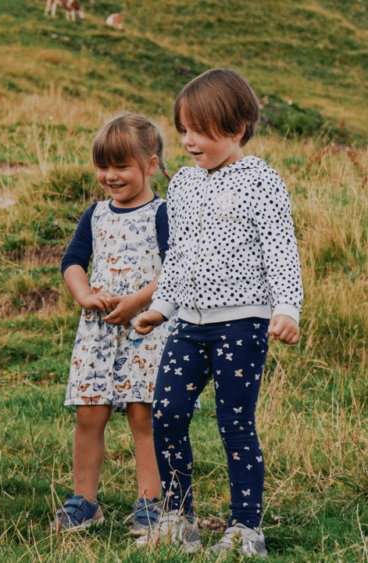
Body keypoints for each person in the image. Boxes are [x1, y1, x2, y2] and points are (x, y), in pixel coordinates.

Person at [133, 68, 303, 557]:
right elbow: (179, 255)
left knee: (234, 422)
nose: (188, 141)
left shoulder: (262, 181)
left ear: (237, 128)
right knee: (166, 413)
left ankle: (244, 528)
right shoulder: (182, 185)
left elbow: (281, 250)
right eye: (183, 129)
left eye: (200, 131)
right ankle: (176, 517)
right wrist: (162, 308)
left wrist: (287, 308)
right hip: (187, 323)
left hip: (242, 323)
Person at [53, 112, 171, 535]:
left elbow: (173, 270)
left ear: (151, 165)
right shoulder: (95, 214)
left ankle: (150, 502)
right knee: (90, 415)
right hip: (98, 333)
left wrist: (139, 301)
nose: (110, 175)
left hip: (146, 330)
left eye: (122, 166)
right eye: (104, 166)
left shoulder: (162, 213)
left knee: (144, 416)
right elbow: (72, 262)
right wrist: (84, 295)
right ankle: (84, 500)